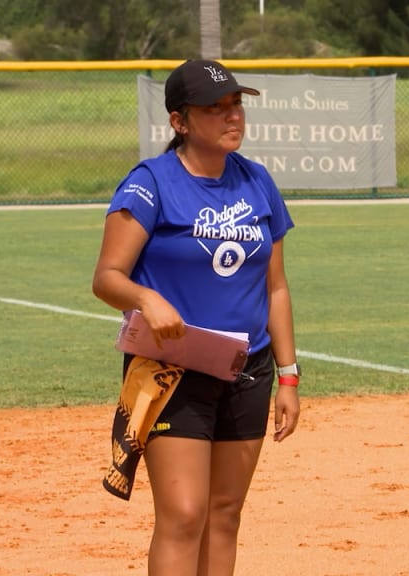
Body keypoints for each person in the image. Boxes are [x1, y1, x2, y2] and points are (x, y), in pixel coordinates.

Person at [91, 59, 301, 576]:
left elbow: (276, 287)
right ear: (179, 122)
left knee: (223, 514)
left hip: (248, 369)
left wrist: (289, 376)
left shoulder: (257, 182)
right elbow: (107, 277)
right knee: (185, 514)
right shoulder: (151, 183)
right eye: (215, 108)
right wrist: (146, 298)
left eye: (235, 104)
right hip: (175, 370)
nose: (232, 116)